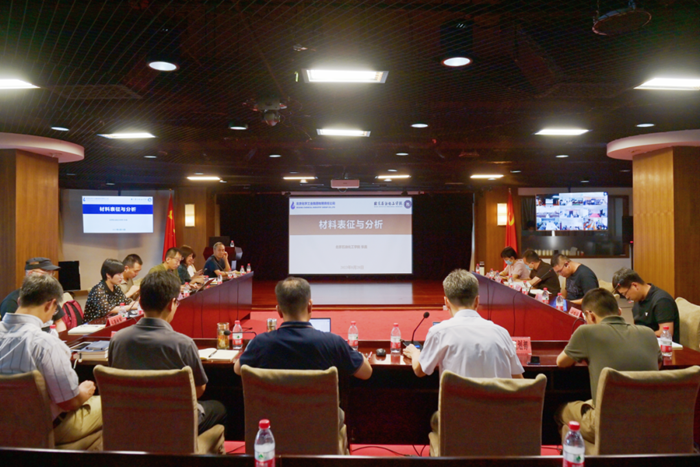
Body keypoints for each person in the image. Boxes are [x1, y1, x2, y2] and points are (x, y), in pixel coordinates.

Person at [109, 271, 227, 434]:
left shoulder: (117, 340)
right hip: (174, 422)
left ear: (140, 302)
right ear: (172, 304)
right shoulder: (183, 344)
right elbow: (198, 389)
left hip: (130, 420)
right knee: (220, 408)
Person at [0, 275, 103, 449]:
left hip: (5, 427)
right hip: (41, 426)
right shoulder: (45, 344)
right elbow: (68, 402)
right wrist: (83, 392)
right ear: (50, 305)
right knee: (114, 405)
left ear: (19, 301)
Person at [555, 288, 660, 445]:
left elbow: (561, 362)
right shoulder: (649, 333)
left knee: (561, 411)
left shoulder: (586, 332)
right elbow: (658, 364)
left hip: (606, 424)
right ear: (619, 312)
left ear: (590, 315)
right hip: (649, 422)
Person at [235, 276, 372, 380]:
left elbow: (238, 369)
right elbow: (366, 373)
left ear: (279, 311)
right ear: (310, 306)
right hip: (320, 411)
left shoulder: (260, 343)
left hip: (274, 410)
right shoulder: (333, 342)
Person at [403, 269, 524, 379]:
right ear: (477, 301)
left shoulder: (439, 332)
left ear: (446, 302)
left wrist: (415, 353)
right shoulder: (502, 333)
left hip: (457, 398)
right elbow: (519, 380)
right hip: (496, 398)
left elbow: (420, 371)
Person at [612, 268, 680, 343]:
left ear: (635, 286)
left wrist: (639, 335)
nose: (627, 297)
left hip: (660, 346)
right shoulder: (638, 301)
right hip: (644, 343)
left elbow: (666, 333)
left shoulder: (662, 300)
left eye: (625, 293)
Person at [0, 257, 67, 332]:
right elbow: (12, 332)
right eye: (46, 273)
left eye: (51, 273)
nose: (50, 277)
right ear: (31, 274)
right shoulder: (10, 302)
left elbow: (59, 322)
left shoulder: (49, 297)